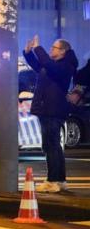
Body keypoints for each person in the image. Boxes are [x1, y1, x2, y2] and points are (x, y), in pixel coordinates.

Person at [23, 35, 78, 192]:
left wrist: (38, 48)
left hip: (53, 110)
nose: (50, 49)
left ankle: (53, 180)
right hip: (47, 109)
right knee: (51, 145)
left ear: (63, 51)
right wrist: (28, 53)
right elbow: (39, 66)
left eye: (54, 47)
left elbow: (47, 64)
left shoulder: (66, 65)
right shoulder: (54, 65)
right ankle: (59, 180)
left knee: (51, 145)